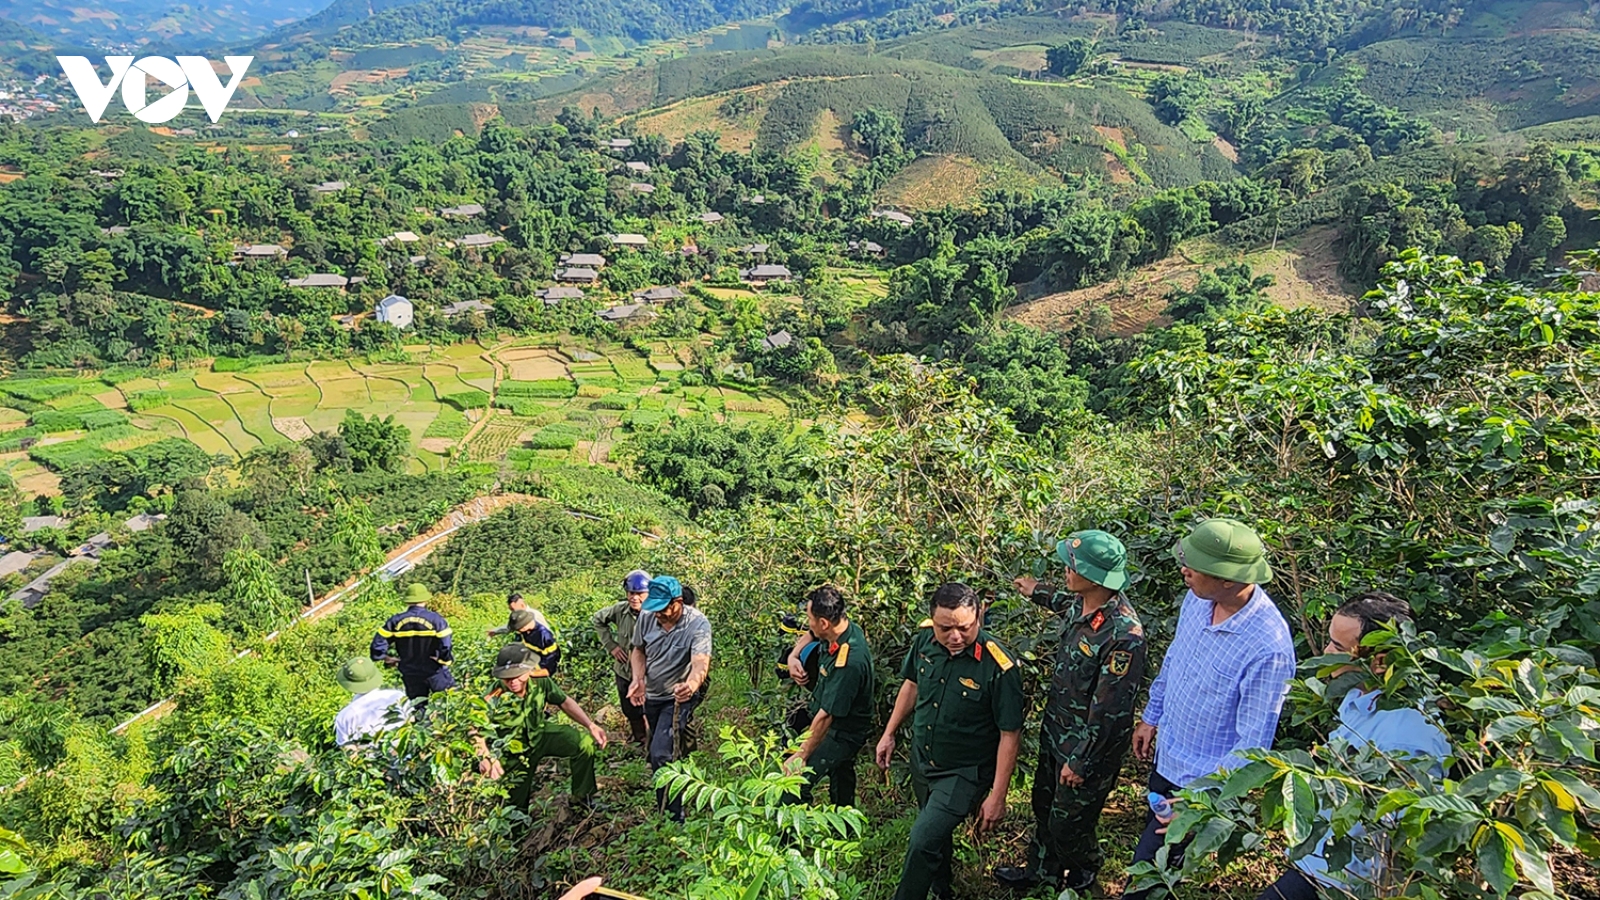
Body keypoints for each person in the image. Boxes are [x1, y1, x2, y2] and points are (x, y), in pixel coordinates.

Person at [1125, 519, 1297, 900]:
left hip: (1199, 785)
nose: (1183, 571)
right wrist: (1151, 716)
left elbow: (1252, 746)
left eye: (1195, 566)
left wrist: (1197, 805)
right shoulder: (1198, 599)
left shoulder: (1267, 647)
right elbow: (1176, 658)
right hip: (1168, 758)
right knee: (1156, 873)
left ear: (1229, 580)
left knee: (1145, 883)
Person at [1256, 591, 1450, 900]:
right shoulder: (1360, 695)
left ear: (1380, 661)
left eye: (1337, 646)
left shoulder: (1408, 737)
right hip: (1318, 861)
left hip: (1346, 881)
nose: (1325, 651)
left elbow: (1396, 834)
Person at [995, 530, 1147, 894]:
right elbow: (1062, 601)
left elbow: (1111, 713)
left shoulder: (1123, 635)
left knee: (1069, 822)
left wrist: (1082, 761)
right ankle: (1041, 873)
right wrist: (1034, 590)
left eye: (1073, 566)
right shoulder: (1083, 603)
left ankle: (1084, 871)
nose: (1066, 570)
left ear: (1095, 577)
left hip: (1087, 748)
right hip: (1057, 732)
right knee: (1044, 806)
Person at [876, 583, 1025, 900]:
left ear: (978, 616)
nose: (955, 636)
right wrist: (889, 733)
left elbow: (1010, 734)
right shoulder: (924, 642)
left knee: (921, 839)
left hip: (963, 772)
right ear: (933, 621)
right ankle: (942, 890)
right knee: (935, 837)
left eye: (965, 627)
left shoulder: (999, 666)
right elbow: (911, 685)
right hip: (923, 760)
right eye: (945, 628)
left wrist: (998, 796)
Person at [474, 643, 609, 811]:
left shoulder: (539, 681)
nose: (513, 681)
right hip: (514, 752)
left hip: (540, 735)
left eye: (518, 676)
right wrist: (485, 756)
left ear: (529, 671)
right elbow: (474, 727)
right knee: (514, 809)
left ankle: (582, 798)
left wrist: (590, 725)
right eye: (507, 677)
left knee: (583, 743)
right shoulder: (493, 695)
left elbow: (564, 702)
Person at [782, 585, 875, 806]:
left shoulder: (849, 662)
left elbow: (826, 717)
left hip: (843, 731)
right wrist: (793, 657)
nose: (809, 623)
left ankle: (795, 828)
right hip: (826, 717)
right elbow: (811, 634)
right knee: (841, 781)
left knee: (794, 784)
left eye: (810, 618)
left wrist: (801, 755)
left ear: (824, 623)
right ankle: (844, 821)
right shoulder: (838, 628)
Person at [628, 575, 712, 821]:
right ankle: (682, 779)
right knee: (663, 746)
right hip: (652, 694)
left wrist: (691, 685)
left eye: (663, 609)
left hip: (678, 697)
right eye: (654, 609)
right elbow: (638, 650)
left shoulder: (698, 624)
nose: (658, 615)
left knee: (660, 754)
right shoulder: (647, 616)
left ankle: (673, 816)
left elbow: (700, 663)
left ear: (678, 603)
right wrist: (638, 678)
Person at [593, 570, 651, 744]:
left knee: (651, 708)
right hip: (624, 670)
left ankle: (653, 742)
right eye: (631, 593)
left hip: (649, 672)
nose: (635, 597)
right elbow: (598, 619)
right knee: (630, 709)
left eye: (640, 594)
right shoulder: (620, 610)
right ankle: (639, 739)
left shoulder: (655, 613)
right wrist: (611, 646)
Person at [371, 583, 456, 701]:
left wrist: (385, 657)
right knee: (449, 702)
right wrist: (444, 660)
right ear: (426, 599)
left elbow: (377, 644)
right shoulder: (436, 620)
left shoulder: (395, 621)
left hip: (410, 673)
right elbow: (446, 645)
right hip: (434, 671)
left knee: (417, 706)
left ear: (407, 601)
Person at [332, 656, 411, 747]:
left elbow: (349, 750)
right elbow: (411, 722)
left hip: (369, 755)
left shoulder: (345, 716)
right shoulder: (398, 696)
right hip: (406, 753)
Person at [506, 607, 563, 674]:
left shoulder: (544, 635)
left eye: (518, 629)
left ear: (524, 626)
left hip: (542, 667)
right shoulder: (525, 632)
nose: (518, 631)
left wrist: (532, 672)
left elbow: (550, 662)